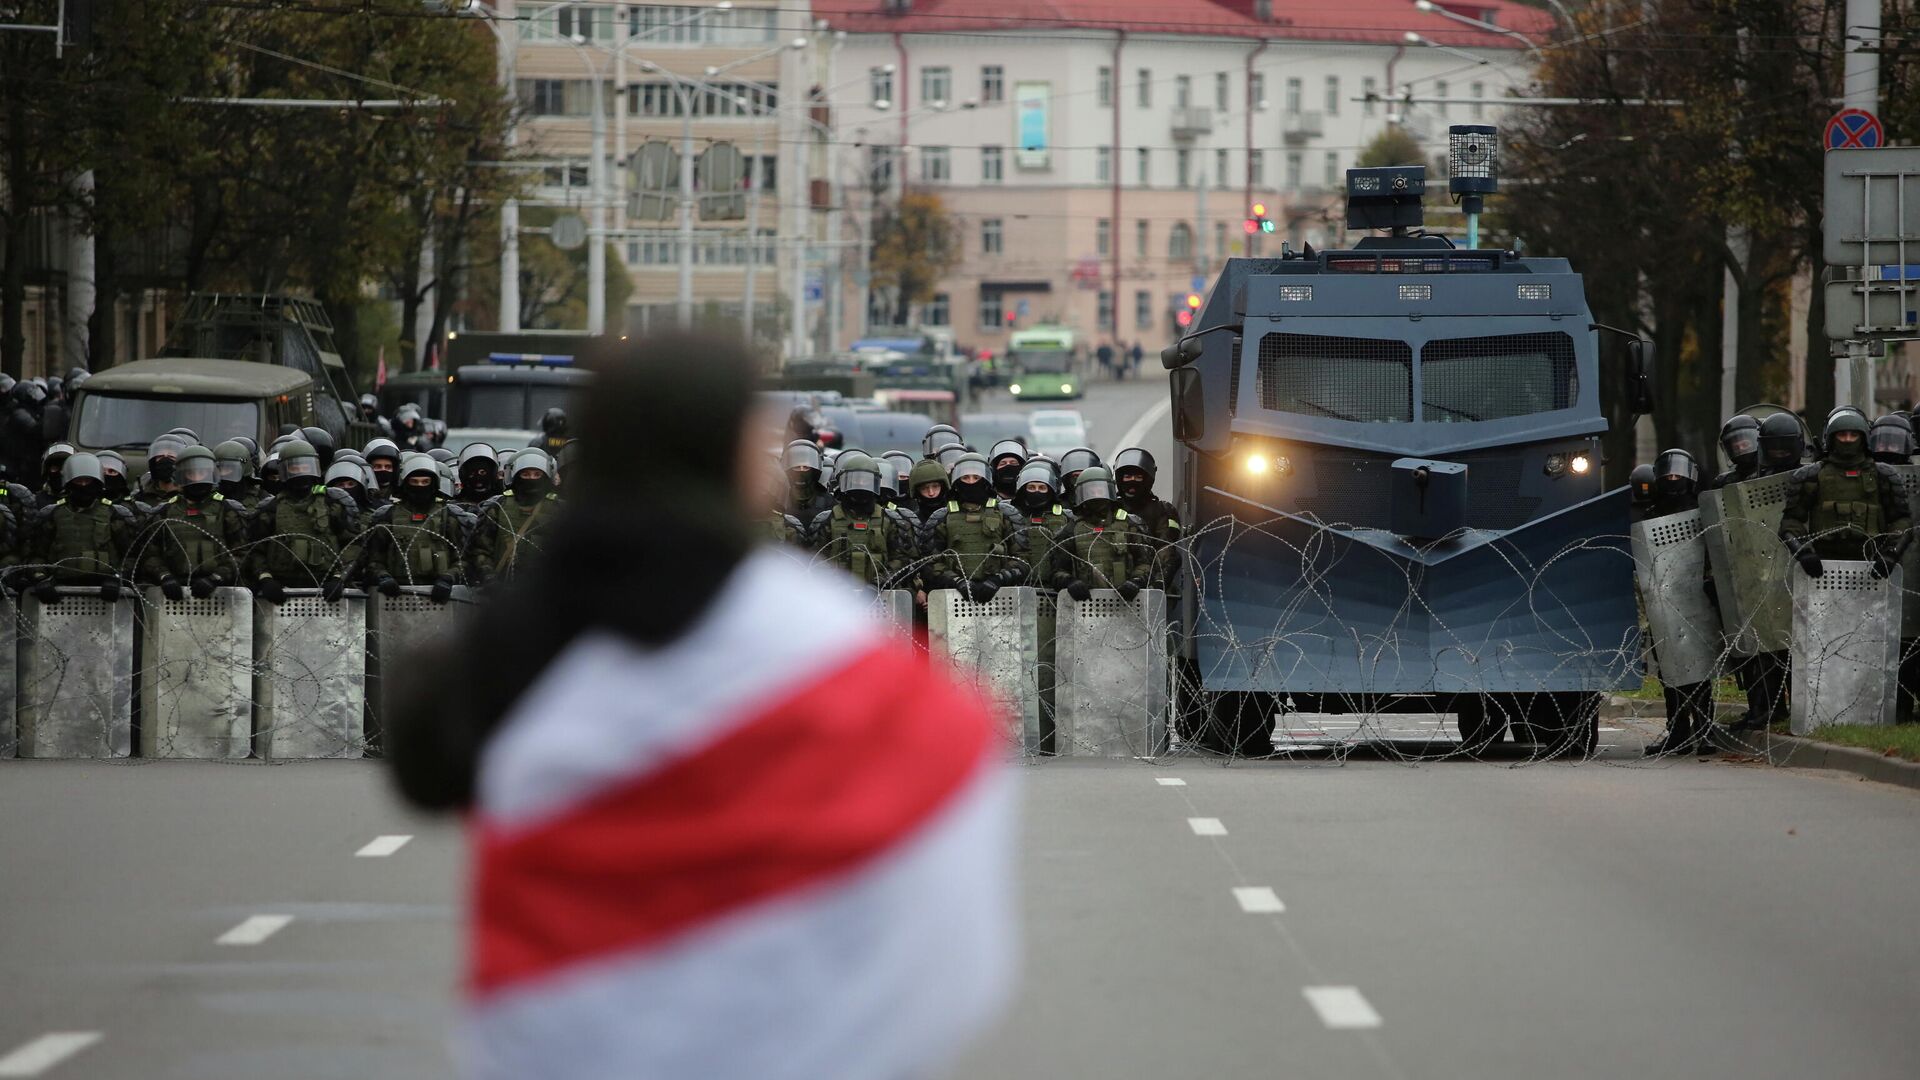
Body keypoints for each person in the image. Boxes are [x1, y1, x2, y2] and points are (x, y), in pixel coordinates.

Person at [381, 332, 1014, 1080]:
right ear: (744, 460)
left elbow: (425, 763)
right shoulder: (815, 623)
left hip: (583, 1044)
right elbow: (946, 771)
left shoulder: (542, 616)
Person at [1638, 449, 1715, 756]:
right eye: (1667, 475)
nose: (1673, 479)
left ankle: (1704, 728)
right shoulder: (1652, 514)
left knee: (1700, 666)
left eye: (1678, 474)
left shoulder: (1702, 511)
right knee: (1670, 670)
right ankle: (1678, 729)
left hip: (1696, 598)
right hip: (1663, 598)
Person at [1780, 411, 1911, 580]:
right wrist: (1804, 552)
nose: (1848, 439)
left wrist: (1891, 554)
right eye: (1842, 435)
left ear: (1863, 438)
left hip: (1872, 567)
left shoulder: (1883, 476)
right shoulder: (1811, 476)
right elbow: (1791, 521)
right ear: (1832, 438)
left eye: (1853, 435)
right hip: (1824, 569)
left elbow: (1901, 521)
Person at [249, 439, 363, 603]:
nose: (301, 473)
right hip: (283, 591)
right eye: (295, 468)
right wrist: (265, 579)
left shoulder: (333, 504)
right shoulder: (271, 509)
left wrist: (339, 578)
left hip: (326, 588)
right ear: (284, 471)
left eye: (306, 467)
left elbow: (354, 544)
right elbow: (255, 549)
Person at [138, 446, 248, 600]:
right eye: (191, 473)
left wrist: (216, 578)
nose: (197, 478)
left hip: (220, 592)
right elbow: (149, 554)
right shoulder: (164, 512)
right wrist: (164, 577)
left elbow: (242, 552)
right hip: (175, 592)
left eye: (202, 473)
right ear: (181, 475)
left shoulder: (227, 511)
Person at [25, 452, 138, 603]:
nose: (84, 486)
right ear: (69, 483)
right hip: (61, 592)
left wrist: (118, 578)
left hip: (105, 592)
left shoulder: (113, 514)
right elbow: (36, 554)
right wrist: (40, 578)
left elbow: (131, 555)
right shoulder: (53, 514)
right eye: (79, 481)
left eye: (88, 481)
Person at [360, 453, 469, 603]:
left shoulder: (448, 516)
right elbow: (373, 557)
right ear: (405, 483)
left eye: (425, 482)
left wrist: (449, 578)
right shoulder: (387, 516)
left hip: (440, 594)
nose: (419, 487)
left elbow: (464, 558)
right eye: (414, 482)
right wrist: (382, 576)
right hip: (397, 595)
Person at [922, 453, 1025, 603]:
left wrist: (998, 580)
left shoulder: (1006, 514)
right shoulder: (941, 517)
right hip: (954, 597)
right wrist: (956, 581)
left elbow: (1022, 558)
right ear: (957, 482)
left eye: (976, 478)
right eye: (965, 478)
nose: (971, 482)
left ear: (985, 480)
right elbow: (930, 562)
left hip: (1001, 597)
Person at [808, 453, 911, 589]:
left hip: (881, 595)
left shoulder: (889, 520)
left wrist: (879, 583)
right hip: (836, 597)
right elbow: (816, 561)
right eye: (855, 481)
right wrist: (838, 585)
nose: (861, 486)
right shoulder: (827, 520)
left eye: (866, 481)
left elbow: (901, 560)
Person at [1047, 467, 1149, 601]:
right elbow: (1057, 570)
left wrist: (1136, 581)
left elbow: (1145, 562)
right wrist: (1070, 582)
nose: (1096, 495)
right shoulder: (1072, 529)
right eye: (1091, 491)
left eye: (1100, 490)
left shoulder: (1128, 525)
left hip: (1125, 602)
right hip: (1086, 604)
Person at [468, 448, 562, 585]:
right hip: (502, 588)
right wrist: (488, 576)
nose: (532, 479)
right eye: (525, 474)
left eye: (537, 474)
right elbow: (480, 550)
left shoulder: (559, 510)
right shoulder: (498, 507)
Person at [1113, 447, 1182, 592]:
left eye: (1138, 477)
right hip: (1111, 581)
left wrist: (1153, 585)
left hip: (1149, 585)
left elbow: (1165, 550)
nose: (1132, 481)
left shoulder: (1163, 510)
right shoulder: (1109, 507)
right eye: (1127, 477)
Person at [782, 439, 835, 523]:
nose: (801, 470)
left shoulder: (827, 501)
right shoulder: (780, 499)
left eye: (806, 467)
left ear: (814, 470)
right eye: (797, 467)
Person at [1704, 415, 1761, 491]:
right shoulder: (1724, 483)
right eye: (1736, 447)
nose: (1741, 449)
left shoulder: (1772, 472)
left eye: (1745, 444)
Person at [213, 440, 258, 509]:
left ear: (243, 470)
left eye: (228, 468)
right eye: (219, 468)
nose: (222, 473)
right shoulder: (209, 494)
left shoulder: (259, 498)